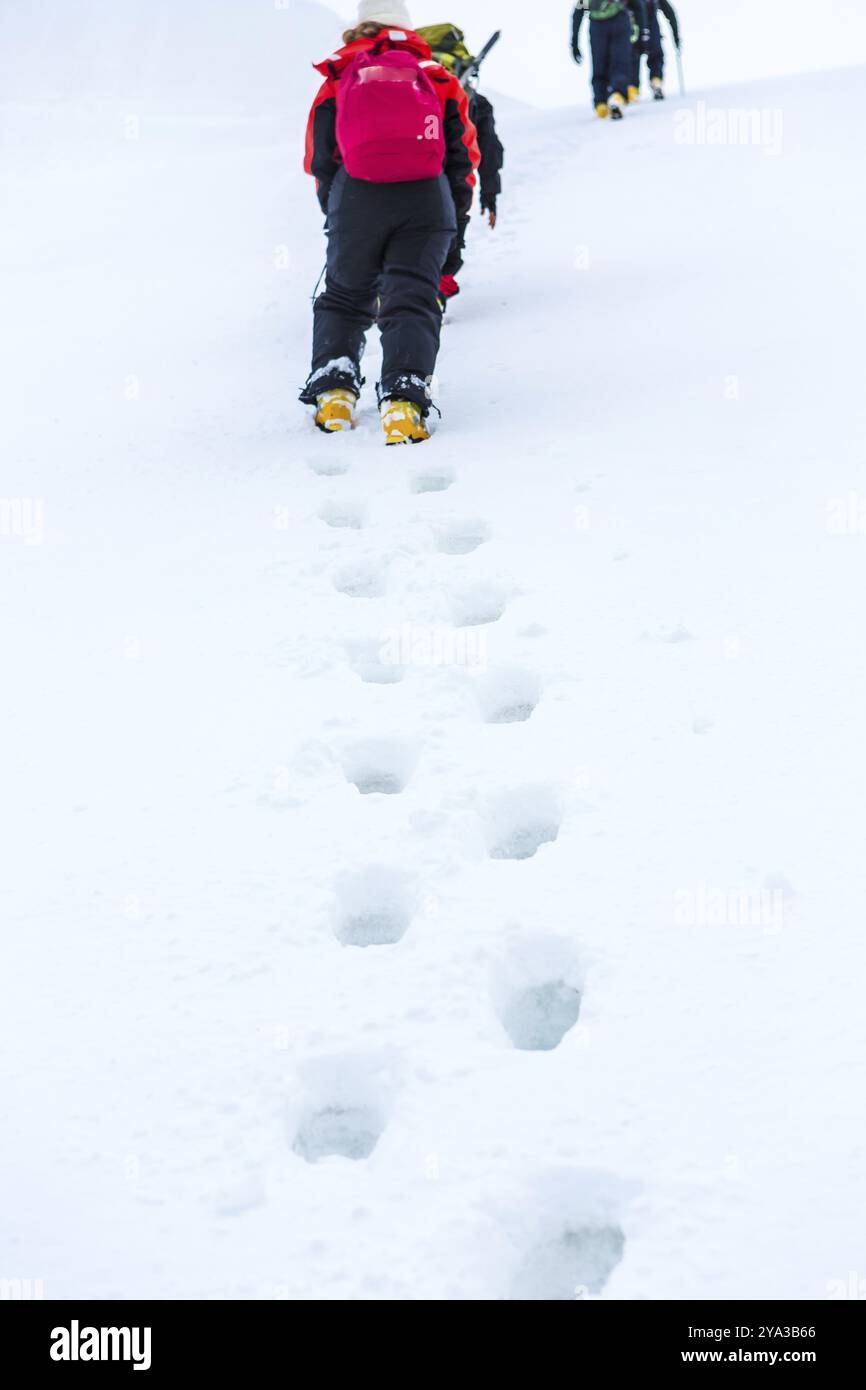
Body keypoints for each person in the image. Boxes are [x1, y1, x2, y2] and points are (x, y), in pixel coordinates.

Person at [299, 3, 480, 444]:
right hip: (425, 198)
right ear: (407, 28)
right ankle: (403, 404)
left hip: (358, 195)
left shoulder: (340, 75)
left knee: (344, 295)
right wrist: (453, 220)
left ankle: (335, 393)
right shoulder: (435, 75)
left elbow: (319, 157)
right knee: (414, 297)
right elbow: (464, 157)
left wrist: (337, 208)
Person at [416, 24, 504, 306]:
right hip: (452, 182)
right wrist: (489, 193)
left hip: (403, 176)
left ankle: (396, 289)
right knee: (448, 227)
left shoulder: (411, 91)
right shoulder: (474, 102)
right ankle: (436, 287)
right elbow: (488, 151)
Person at [571, 1, 649, 120]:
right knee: (620, 62)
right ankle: (616, 97)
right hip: (619, 22)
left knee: (599, 64)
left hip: (597, 26)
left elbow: (578, 11)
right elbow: (637, 5)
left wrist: (574, 42)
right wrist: (642, 34)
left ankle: (600, 102)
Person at [629, 0, 679, 101]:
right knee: (634, 56)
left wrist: (676, 36)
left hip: (645, 23)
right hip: (635, 24)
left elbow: (669, 12)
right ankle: (634, 88)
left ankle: (654, 82)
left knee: (653, 54)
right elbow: (669, 13)